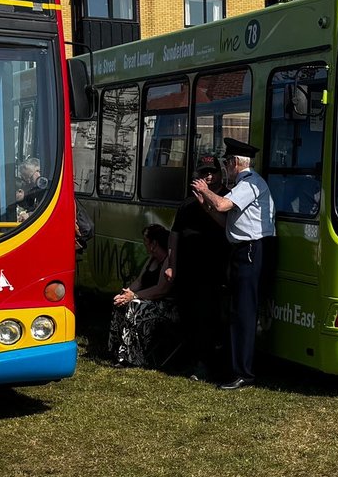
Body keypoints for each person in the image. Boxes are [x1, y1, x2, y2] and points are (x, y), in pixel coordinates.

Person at [191, 137, 276, 389]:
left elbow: (223, 204)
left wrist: (205, 191)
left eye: (227, 162)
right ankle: (235, 367)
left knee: (244, 313)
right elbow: (227, 223)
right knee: (237, 312)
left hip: (250, 250)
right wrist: (206, 206)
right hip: (241, 250)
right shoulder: (244, 184)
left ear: (236, 163)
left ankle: (244, 373)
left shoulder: (250, 184)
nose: (225, 168)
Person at [169, 156, 228, 377]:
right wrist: (171, 265)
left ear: (221, 175)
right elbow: (175, 234)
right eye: (204, 174)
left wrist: (207, 203)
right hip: (187, 269)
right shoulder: (187, 203)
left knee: (207, 318)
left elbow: (226, 226)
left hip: (212, 270)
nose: (208, 177)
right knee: (188, 316)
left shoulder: (226, 199)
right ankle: (190, 359)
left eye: (212, 173)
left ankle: (205, 364)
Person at [110, 224, 176, 368]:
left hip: (166, 306)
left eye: (146, 241)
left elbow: (161, 289)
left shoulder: (167, 262)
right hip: (147, 300)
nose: (144, 244)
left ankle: (133, 357)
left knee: (134, 307)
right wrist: (125, 293)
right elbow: (139, 281)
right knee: (121, 304)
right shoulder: (151, 259)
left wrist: (133, 296)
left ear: (154, 243)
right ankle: (118, 352)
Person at [12, 156, 52, 221]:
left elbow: (51, 211)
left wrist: (30, 215)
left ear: (38, 171)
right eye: (26, 179)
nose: (28, 182)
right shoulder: (35, 190)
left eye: (29, 178)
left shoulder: (51, 188)